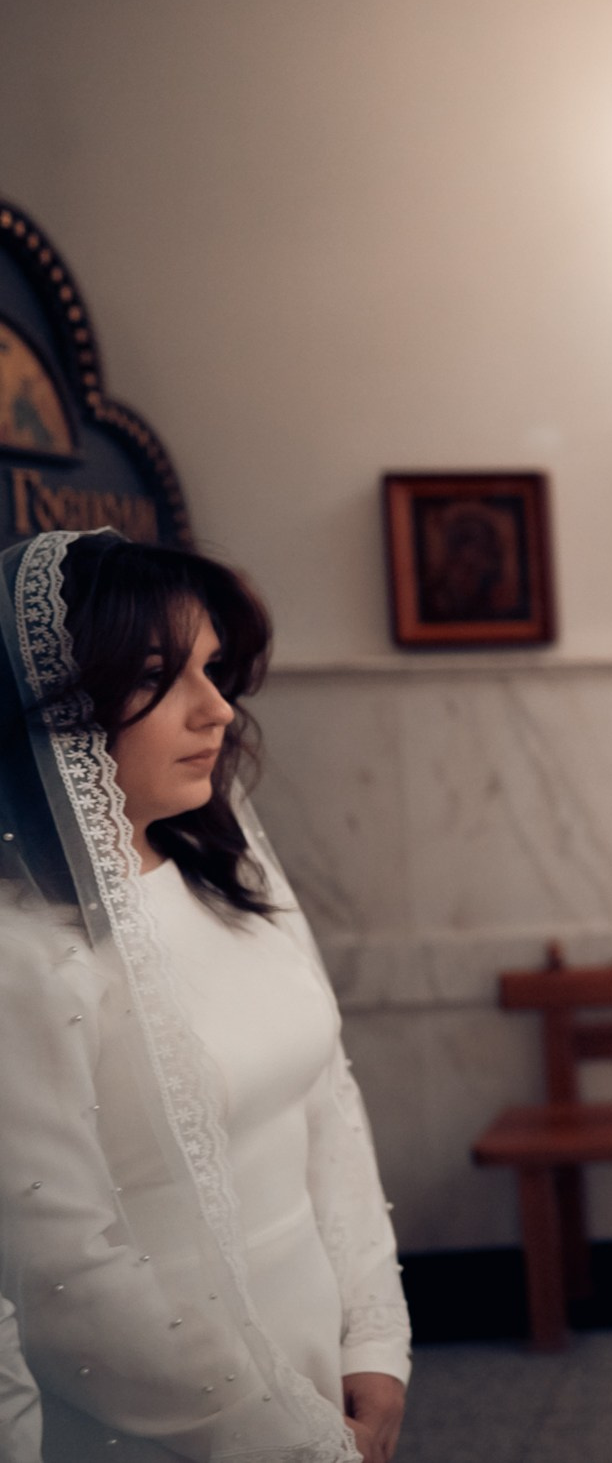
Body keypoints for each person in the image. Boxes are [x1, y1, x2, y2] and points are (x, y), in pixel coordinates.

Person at [0, 531, 411, 1463]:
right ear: (57, 707)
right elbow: (65, 1276)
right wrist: (290, 1438)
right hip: (181, 1420)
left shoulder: (222, 873)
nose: (217, 708)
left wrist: (374, 1340)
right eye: (158, 676)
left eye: (213, 669)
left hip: (317, 1351)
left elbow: (327, 1105)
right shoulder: (24, 955)